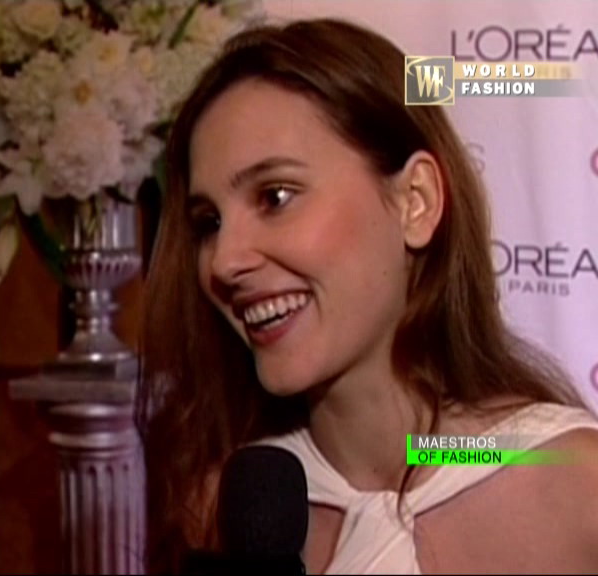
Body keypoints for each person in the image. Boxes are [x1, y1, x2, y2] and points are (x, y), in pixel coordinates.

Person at [137, 17, 598, 574]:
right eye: (208, 222)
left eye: (275, 196)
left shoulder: (572, 483)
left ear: (415, 202)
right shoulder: (219, 506)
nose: (225, 261)